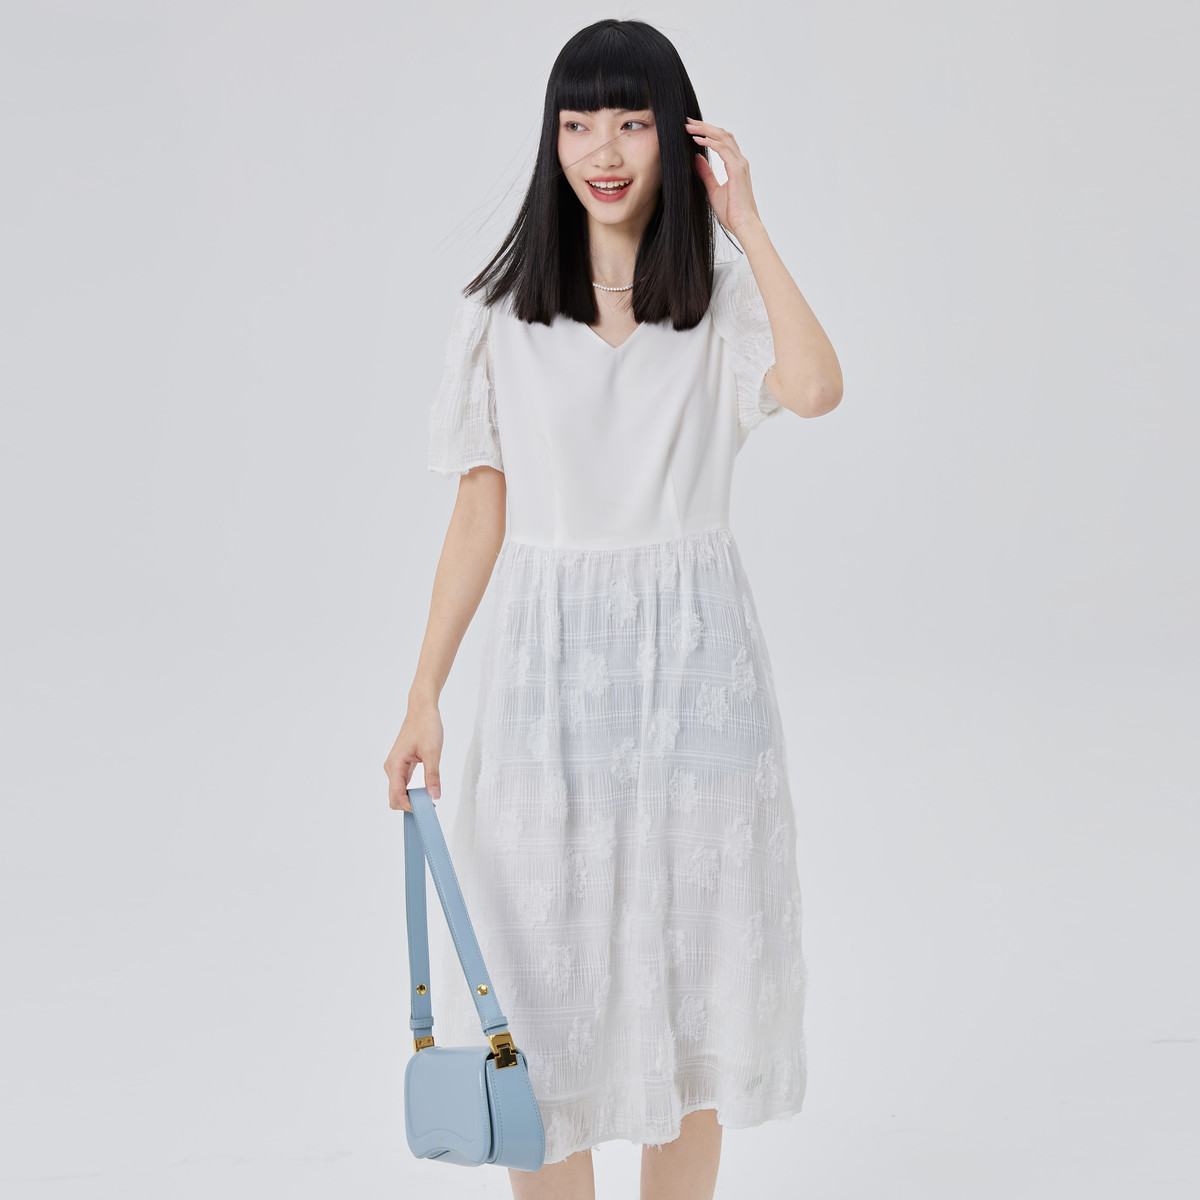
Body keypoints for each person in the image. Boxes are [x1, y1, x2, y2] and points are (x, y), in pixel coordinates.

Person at [384, 17, 842, 1200]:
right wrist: (425, 692)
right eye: (578, 122)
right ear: (552, 139)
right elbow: (479, 513)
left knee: (694, 999)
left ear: (676, 138)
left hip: (699, 676)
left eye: (632, 122)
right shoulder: (500, 315)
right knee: (541, 1016)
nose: (602, 149)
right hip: (549, 686)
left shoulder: (720, 300)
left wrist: (747, 224)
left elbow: (814, 387)